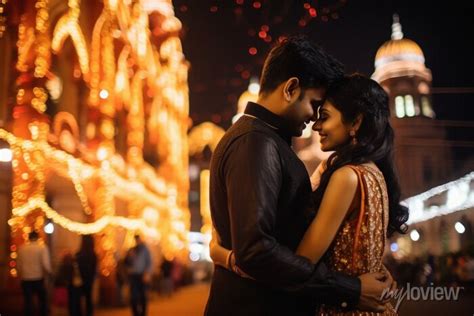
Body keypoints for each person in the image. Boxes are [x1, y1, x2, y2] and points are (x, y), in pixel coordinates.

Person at [205, 36, 396, 316]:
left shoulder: (268, 141)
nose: (314, 120)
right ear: (291, 88)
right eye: (314, 104)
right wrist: (351, 288)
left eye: (324, 114)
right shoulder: (256, 143)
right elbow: (256, 251)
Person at [17, 230, 52, 316]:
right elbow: (46, 264)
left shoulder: (22, 248)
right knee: (42, 301)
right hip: (38, 278)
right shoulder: (42, 248)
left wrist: (20, 275)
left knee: (28, 301)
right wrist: (50, 273)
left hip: (25, 278)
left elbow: (19, 265)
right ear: (37, 238)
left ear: (28, 238)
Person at [125, 234, 152, 316]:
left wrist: (147, 273)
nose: (137, 241)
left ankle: (143, 313)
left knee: (143, 296)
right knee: (133, 296)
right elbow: (126, 262)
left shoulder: (145, 250)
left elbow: (149, 262)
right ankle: (136, 313)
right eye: (136, 240)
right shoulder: (131, 250)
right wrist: (129, 257)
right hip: (133, 275)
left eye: (138, 239)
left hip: (142, 275)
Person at [75, 235, 98, 316]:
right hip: (89, 279)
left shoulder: (78, 254)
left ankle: (79, 312)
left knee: (78, 297)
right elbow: (95, 269)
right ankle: (89, 313)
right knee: (88, 296)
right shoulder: (93, 255)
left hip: (80, 279)